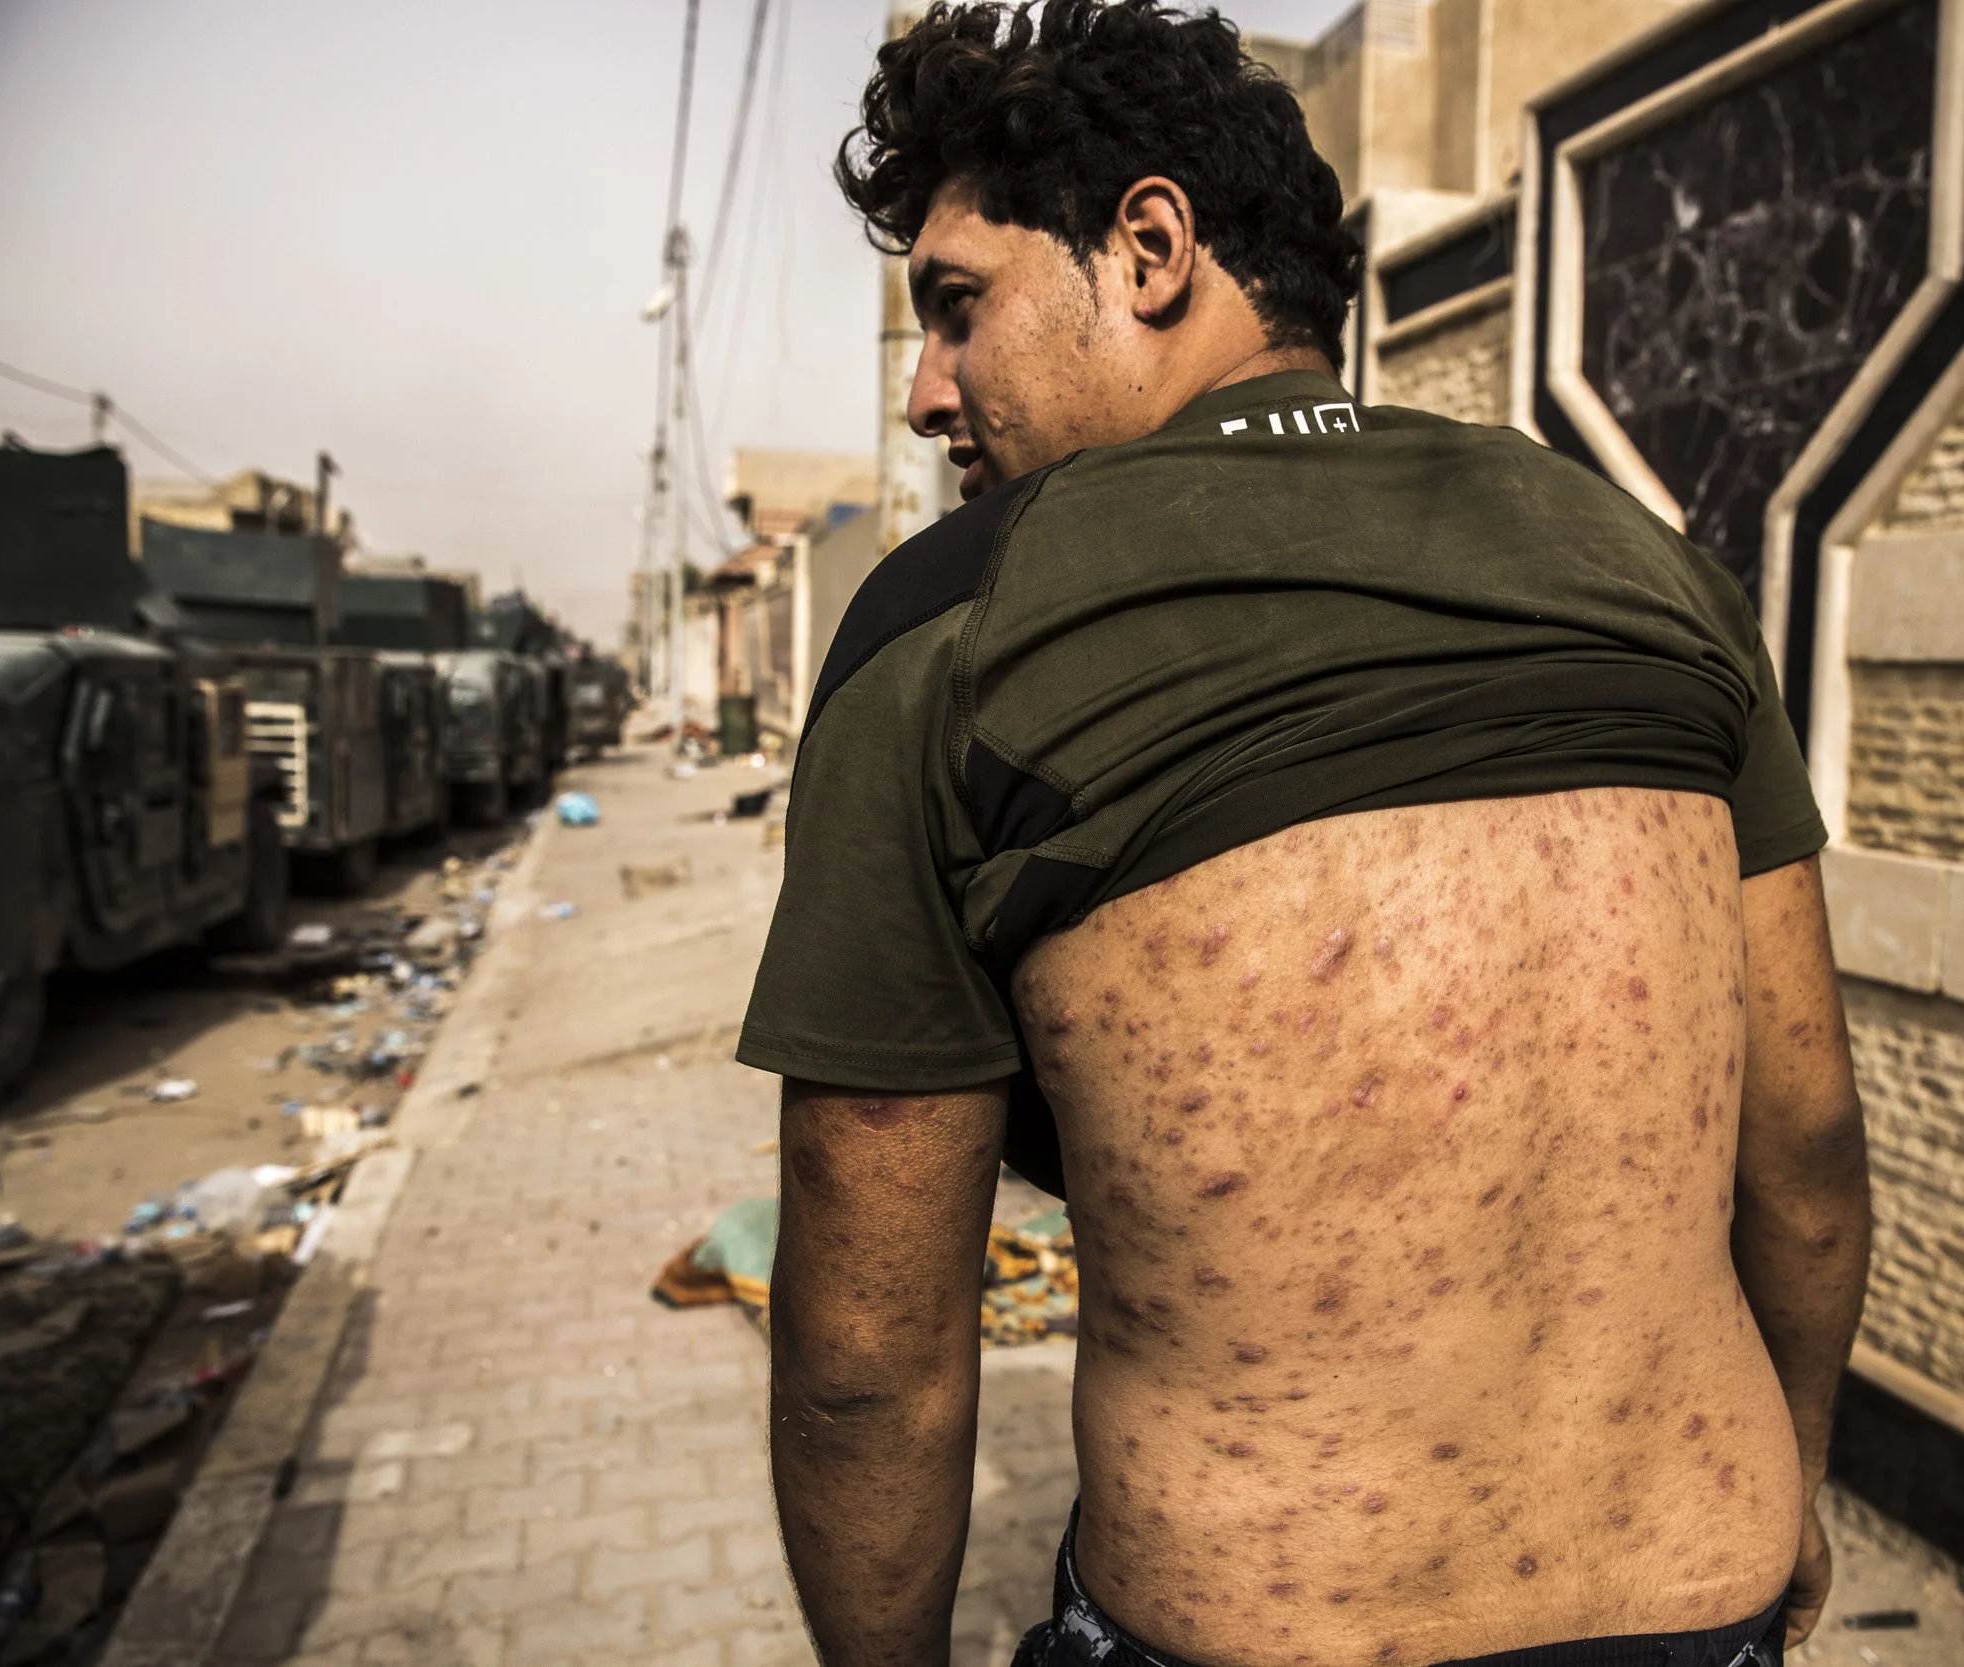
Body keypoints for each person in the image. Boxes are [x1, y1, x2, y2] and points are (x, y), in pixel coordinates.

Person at [736, 3, 1873, 1663]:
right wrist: (1799, 1496)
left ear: (1147, 247)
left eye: (956, 308)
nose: (926, 394)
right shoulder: (1650, 562)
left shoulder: (955, 632)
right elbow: (1812, 1155)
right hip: (1706, 1608)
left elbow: (867, 1361)